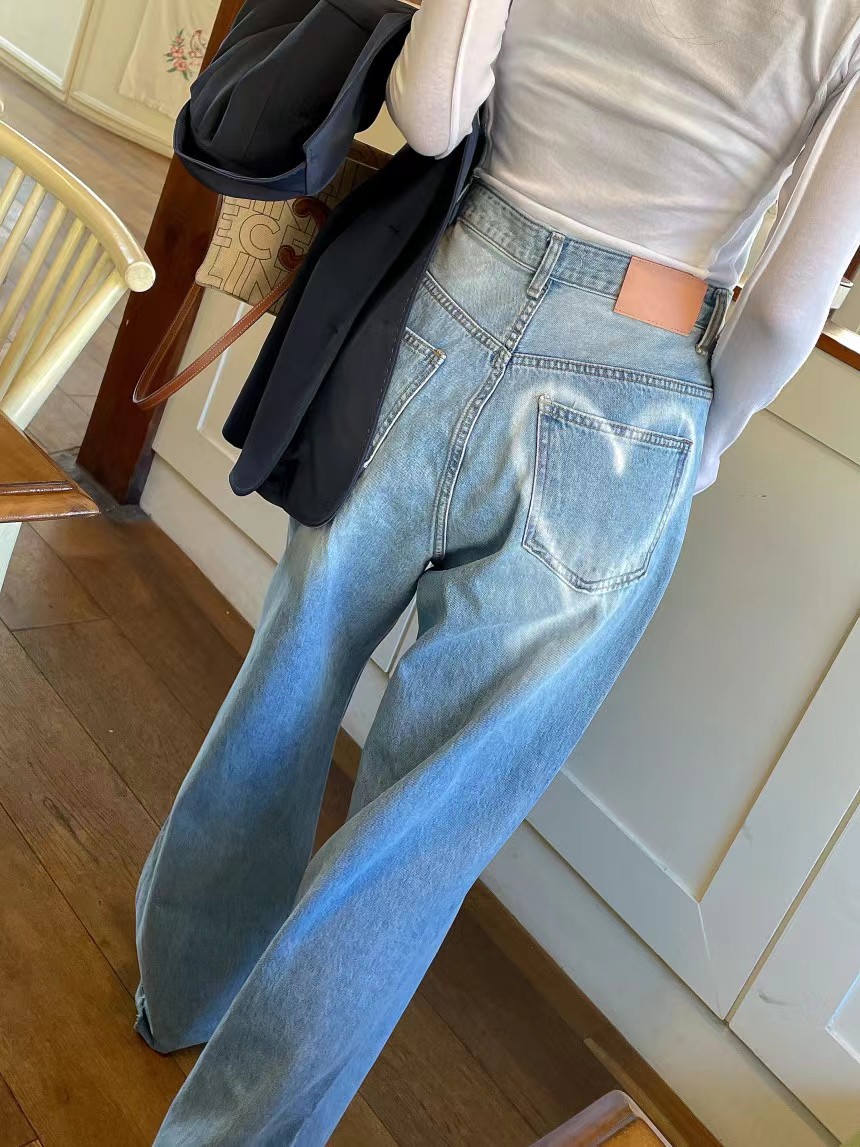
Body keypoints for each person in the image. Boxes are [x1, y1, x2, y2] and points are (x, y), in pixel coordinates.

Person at [136, 2, 860, 1143]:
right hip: (639, 375)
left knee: (289, 673)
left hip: (445, 293)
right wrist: (699, 442)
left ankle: (178, 991)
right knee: (420, 827)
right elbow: (783, 305)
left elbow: (432, 112)